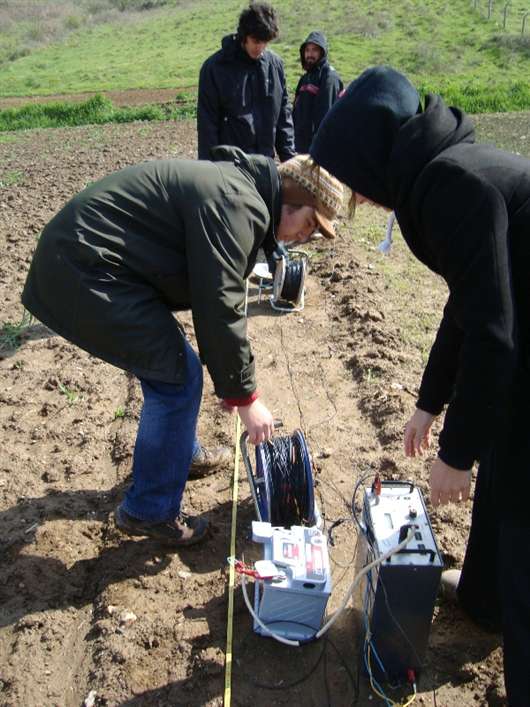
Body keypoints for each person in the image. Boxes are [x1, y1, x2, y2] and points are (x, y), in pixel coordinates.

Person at [309, 64, 530, 706]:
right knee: (507, 459)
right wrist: (430, 402)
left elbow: (493, 332)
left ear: (371, 158)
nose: (359, 195)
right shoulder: (445, 167)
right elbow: (471, 299)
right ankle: (484, 600)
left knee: (521, 507)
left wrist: (455, 455)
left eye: (353, 178)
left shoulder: (448, 185)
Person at [21, 147, 343, 548]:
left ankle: (180, 454)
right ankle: (150, 511)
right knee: (177, 378)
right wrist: (245, 397)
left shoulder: (240, 194)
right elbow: (219, 306)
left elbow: (217, 301)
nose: (305, 238)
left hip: (94, 263)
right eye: (309, 225)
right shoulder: (238, 203)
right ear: (292, 200)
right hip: (84, 269)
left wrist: (232, 382)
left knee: (174, 365)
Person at [197, 2, 295, 162]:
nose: (261, 47)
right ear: (244, 36)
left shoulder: (275, 66)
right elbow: (207, 125)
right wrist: (209, 170)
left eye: (266, 42)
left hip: (265, 166)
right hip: (229, 169)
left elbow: (284, 117)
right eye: (256, 41)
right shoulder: (215, 69)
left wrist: (290, 161)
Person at [292, 31, 344, 153]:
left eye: (314, 50)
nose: (310, 54)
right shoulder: (305, 78)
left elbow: (325, 115)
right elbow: (296, 110)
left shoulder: (329, 77)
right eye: (307, 50)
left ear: (322, 52)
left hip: (319, 149)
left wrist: (319, 149)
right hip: (301, 147)